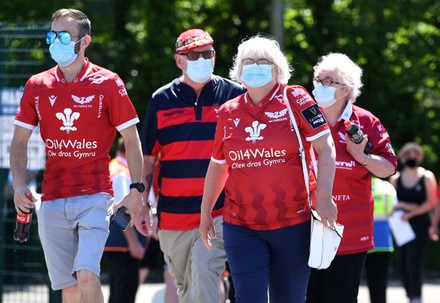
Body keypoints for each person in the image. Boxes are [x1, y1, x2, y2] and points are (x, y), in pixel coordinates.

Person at [9, 8, 149, 303]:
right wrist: (20, 185)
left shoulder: (109, 82)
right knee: (69, 288)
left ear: (85, 41)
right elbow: (19, 141)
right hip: (52, 198)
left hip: (95, 195)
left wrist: (137, 189)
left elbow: (131, 138)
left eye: (63, 36)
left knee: (87, 274)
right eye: (51, 35)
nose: (54, 41)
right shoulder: (37, 85)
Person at [200, 35, 337, 303]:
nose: (254, 66)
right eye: (248, 61)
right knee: (248, 298)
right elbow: (218, 166)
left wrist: (324, 196)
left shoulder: (295, 98)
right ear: (238, 71)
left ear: (277, 68)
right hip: (241, 224)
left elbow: (326, 148)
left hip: (293, 223)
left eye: (262, 61)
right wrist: (205, 211)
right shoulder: (228, 111)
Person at [140, 28, 245, 303]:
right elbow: (148, 158)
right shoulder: (160, 100)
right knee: (186, 288)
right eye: (193, 54)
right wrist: (141, 202)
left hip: (218, 211)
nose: (202, 59)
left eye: (207, 53)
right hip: (172, 217)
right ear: (179, 60)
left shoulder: (235, 96)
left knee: (203, 275)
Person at [306, 52, 398, 303]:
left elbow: (389, 168)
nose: (318, 86)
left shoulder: (366, 121)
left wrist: (363, 157)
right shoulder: (303, 117)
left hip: (349, 233)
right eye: (317, 79)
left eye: (328, 81)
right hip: (304, 230)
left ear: (345, 89)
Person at [389, 142, 437, 303]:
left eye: (415, 154)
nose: (412, 157)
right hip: (401, 226)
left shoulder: (427, 176)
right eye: (408, 154)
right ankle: (410, 295)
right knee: (402, 262)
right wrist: (404, 206)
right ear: (402, 157)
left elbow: (431, 202)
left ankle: (417, 297)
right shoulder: (395, 178)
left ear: (421, 157)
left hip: (420, 225)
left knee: (413, 260)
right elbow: (392, 204)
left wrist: (411, 213)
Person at [104, 137, 147, 303]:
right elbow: (123, 211)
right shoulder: (122, 172)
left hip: (113, 239)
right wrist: (133, 243)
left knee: (117, 286)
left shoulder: (113, 167)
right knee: (127, 288)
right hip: (123, 242)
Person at [365, 176, 397, 303]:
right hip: (383, 239)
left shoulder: (359, 183)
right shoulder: (387, 187)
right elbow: (393, 210)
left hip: (363, 237)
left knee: (356, 277)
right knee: (380, 279)